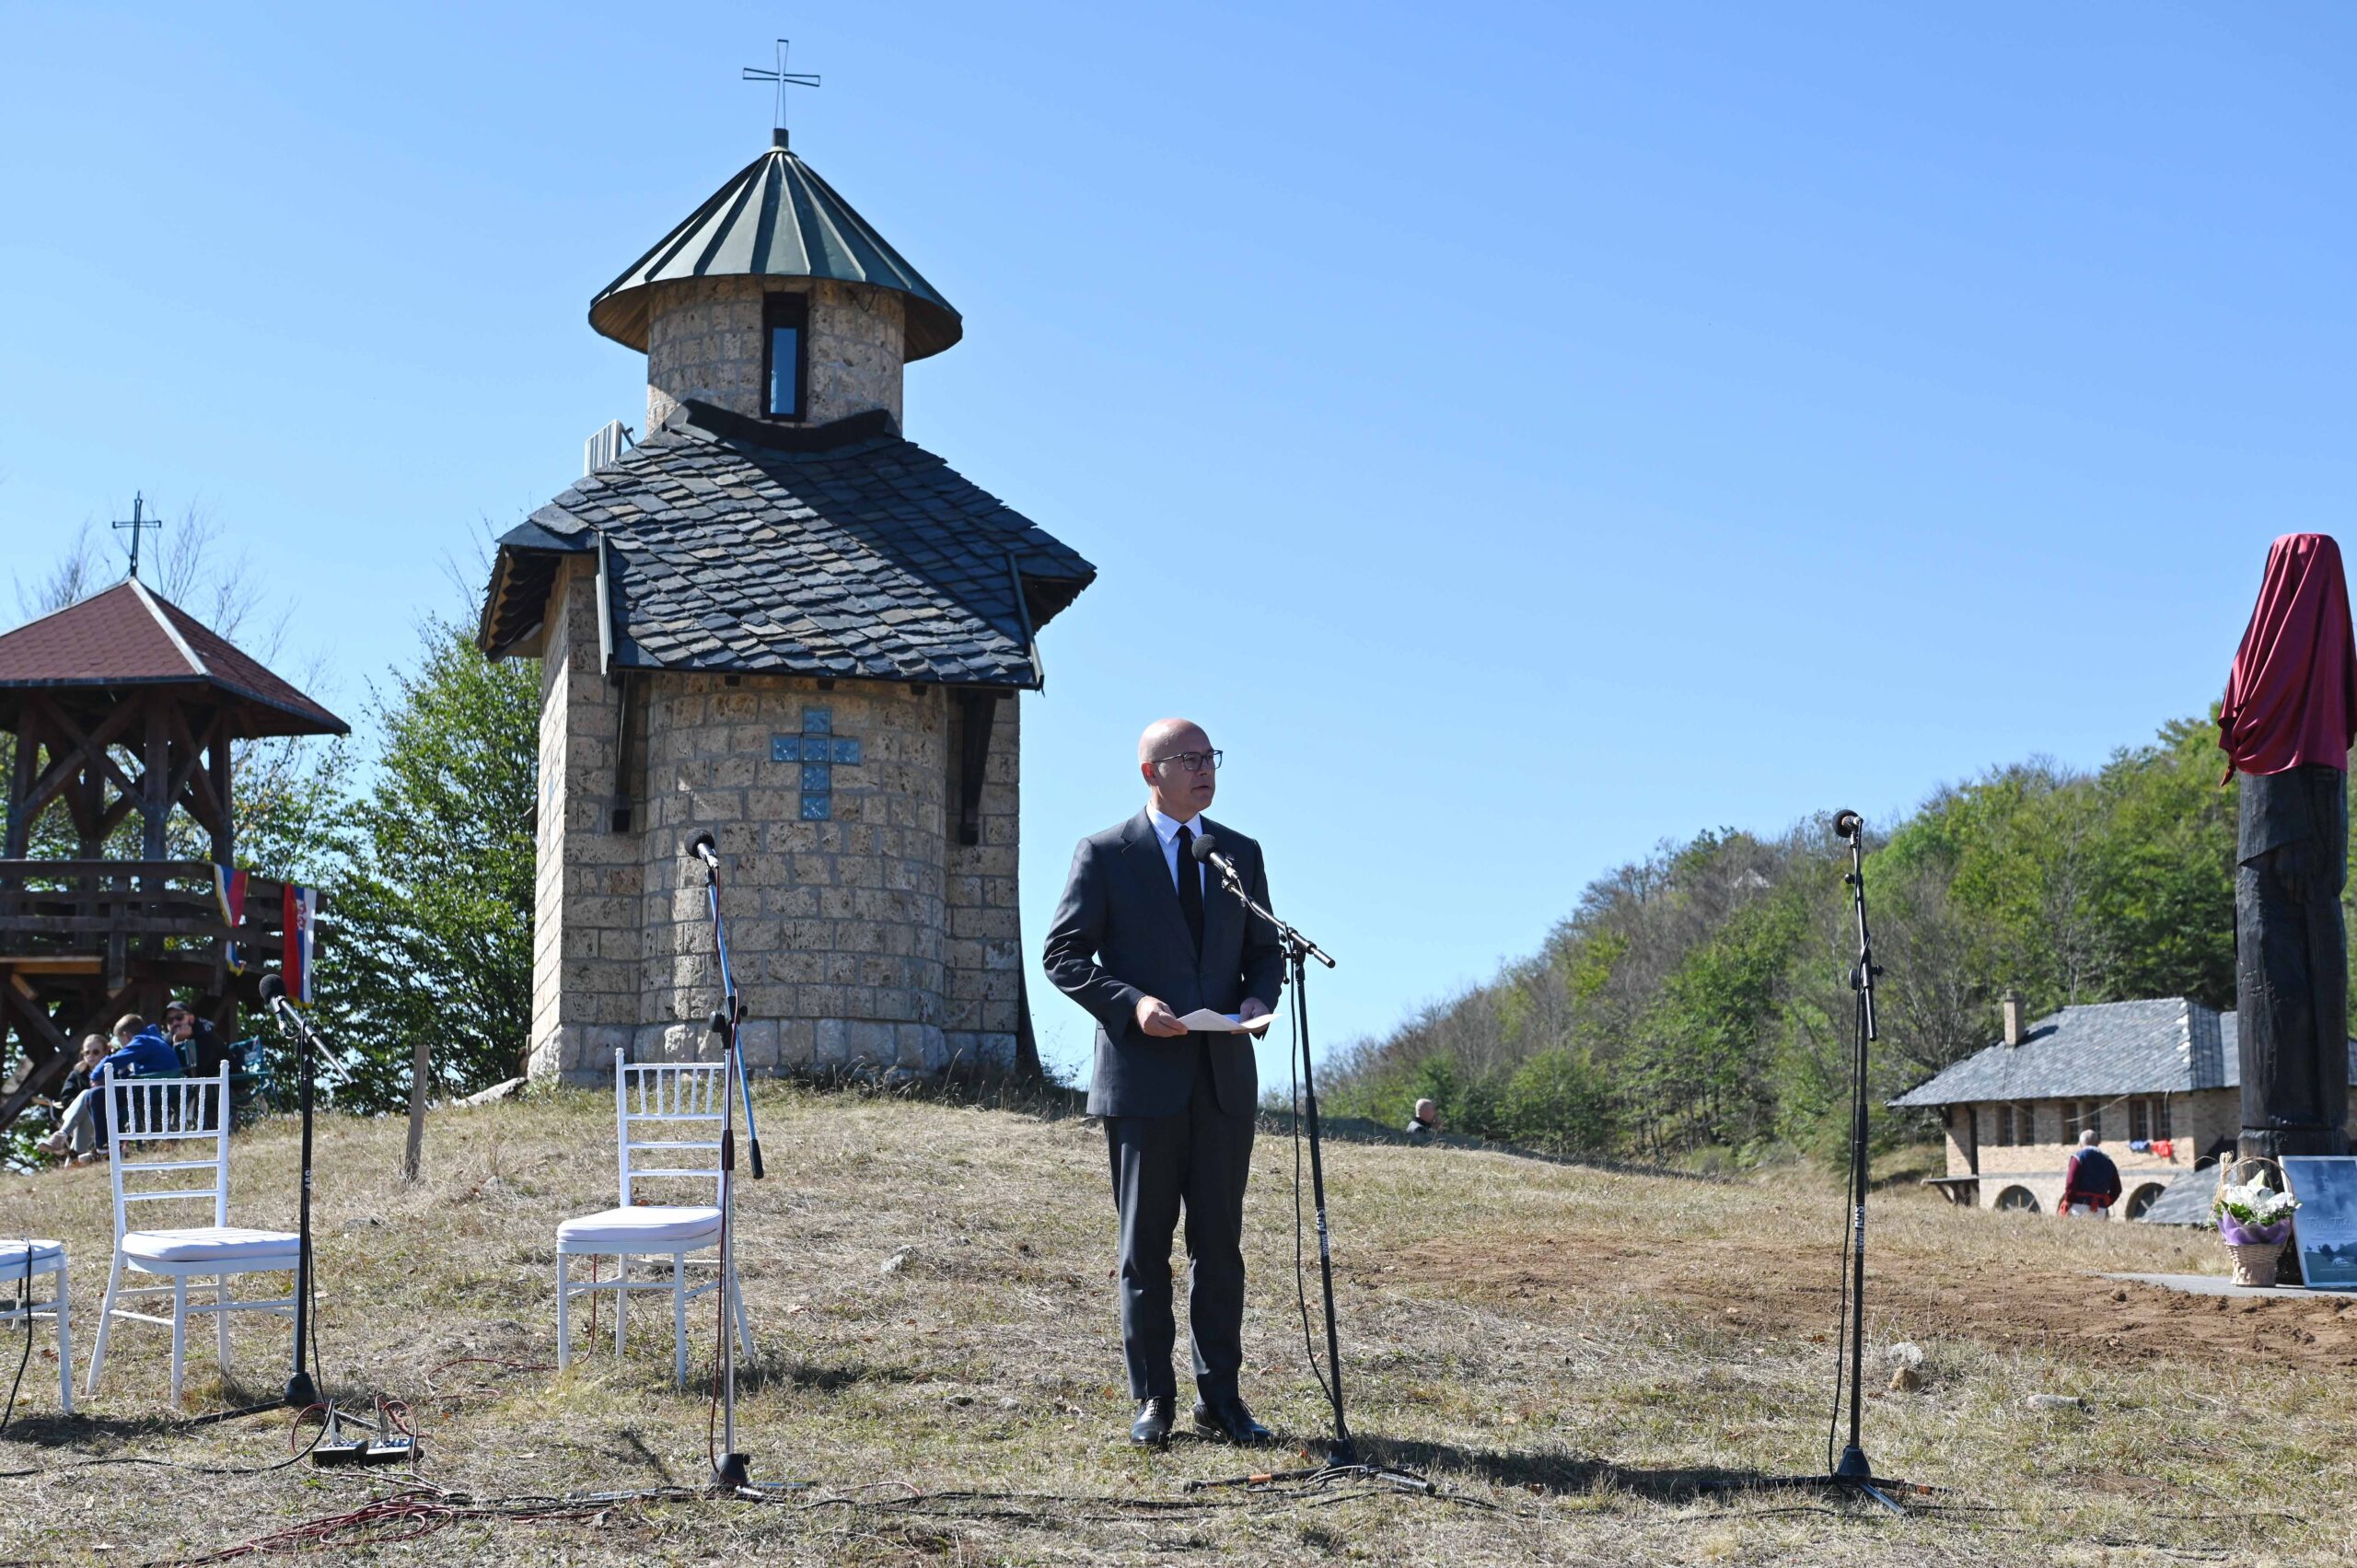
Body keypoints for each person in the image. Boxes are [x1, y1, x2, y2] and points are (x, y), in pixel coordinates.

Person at [1043, 718, 1283, 1449]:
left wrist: (1255, 998)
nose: (1205, 769)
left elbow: (1265, 951)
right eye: (1190, 758)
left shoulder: (1235, 854)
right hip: (1143, 1084)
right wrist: (1133, 1003)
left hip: (1222, 1083)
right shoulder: (1107, 854)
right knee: (1145, 1251)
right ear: (1151, 772)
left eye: (1211, 757)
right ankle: (1153, 1400)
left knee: (1221, 1248)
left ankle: (1223, 1398)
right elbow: (1063, 953)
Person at [36, 1016, 180, 1164]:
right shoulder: (153, 1040)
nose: (122, 1046)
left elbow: (113, 1060)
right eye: (87, 1053)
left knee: (95, 1094)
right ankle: (98, 1148)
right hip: (158, 1089)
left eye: (120, 1041)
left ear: (126, 1036)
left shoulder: (142, 1041)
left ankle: (103, 1149)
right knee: (94, 1095)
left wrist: (95, 1076)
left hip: (155, 1090)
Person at [34, 1035, 110, 1162]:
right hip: (78, 1117)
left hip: (104, 1118)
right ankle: (75, 1158)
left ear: (105, 1052)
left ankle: (61, 1137)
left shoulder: (113, 1070)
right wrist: (84, 1106)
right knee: (85, 1108)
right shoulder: (77, 1073)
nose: (91, 1056)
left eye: (96, 1052)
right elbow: (66, 1098)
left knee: (88, 1094)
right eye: (87, 1052)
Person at [2060, 1129, 2121, 1218]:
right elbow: (2117, 1189)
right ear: (2098, 1143)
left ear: (2080, 1144)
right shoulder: (2109, 1162)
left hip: (2078, 1207)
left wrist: (2068, 1200)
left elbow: (2071, 1182)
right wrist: (2105, 1202)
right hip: (2100, 1210)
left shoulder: (2078, 1158)